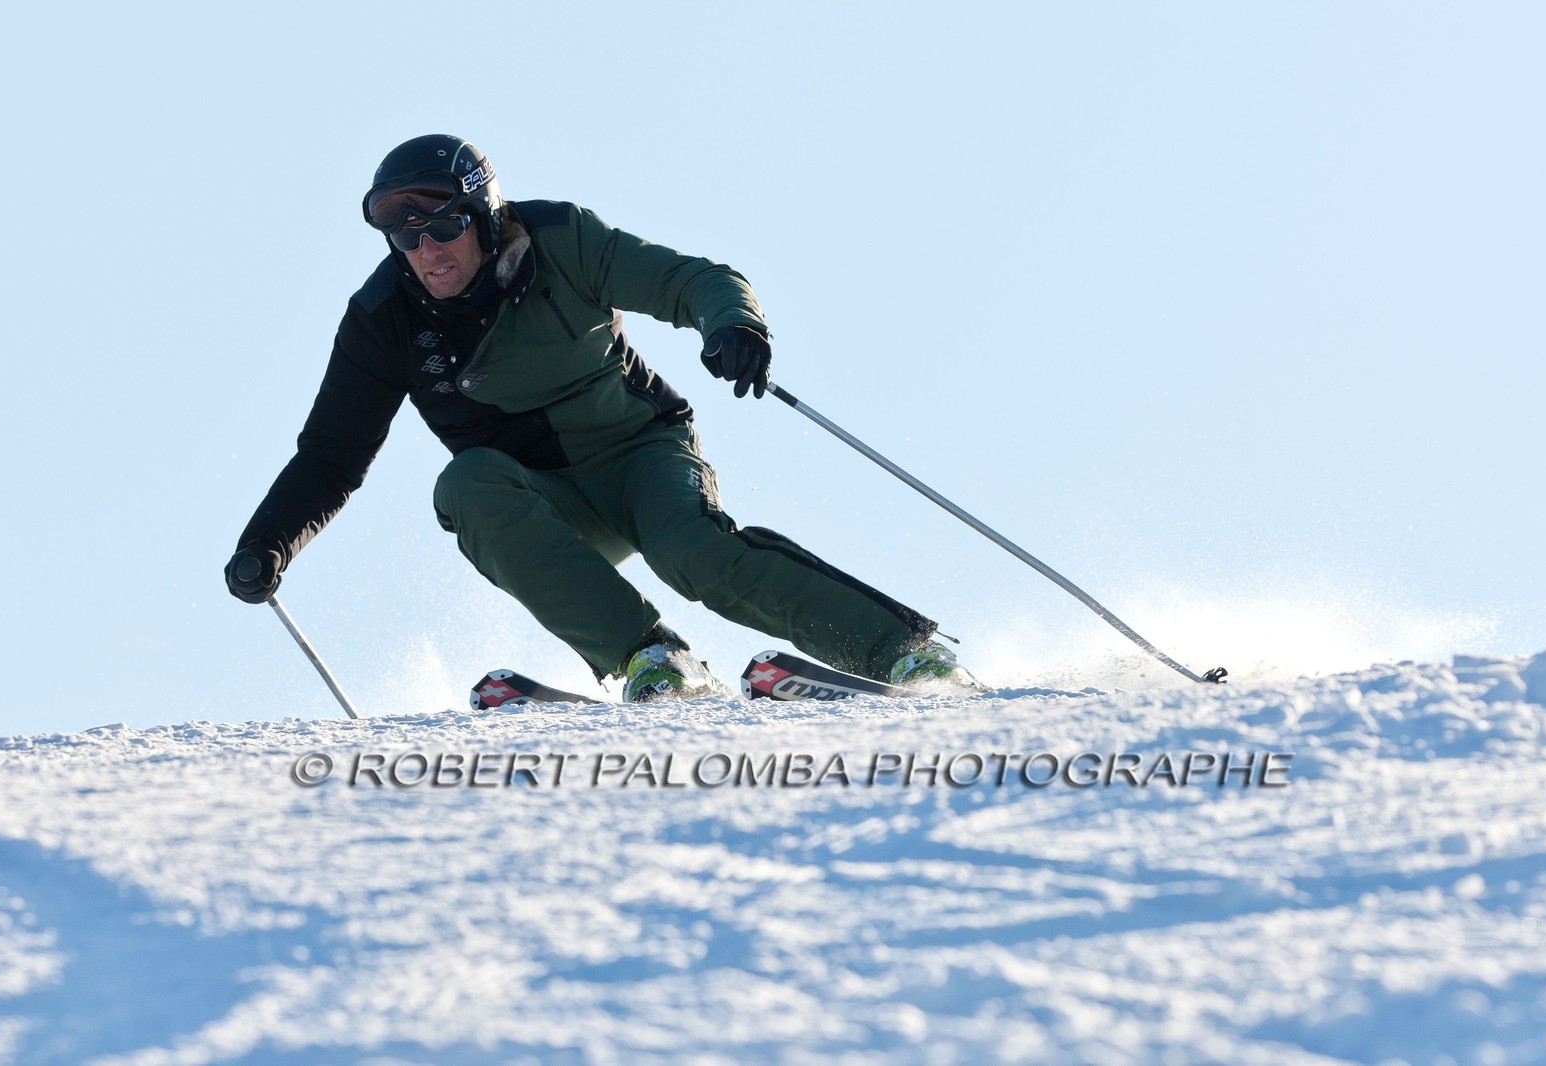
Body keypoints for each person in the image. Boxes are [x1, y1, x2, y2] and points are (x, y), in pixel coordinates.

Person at [225, 133, 980, 702]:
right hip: (550, 503)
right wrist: (267, 544)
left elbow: (694, 280)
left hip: (640, 453)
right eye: (405, 236)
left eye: (444, 227)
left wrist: (733, 323)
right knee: (466, 485)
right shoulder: (382, 320)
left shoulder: (560, 241)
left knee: (692, 553)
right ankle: (650, 657)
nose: (427, 250)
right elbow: (331, 455)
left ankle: (902, 652)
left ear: (482, 217)